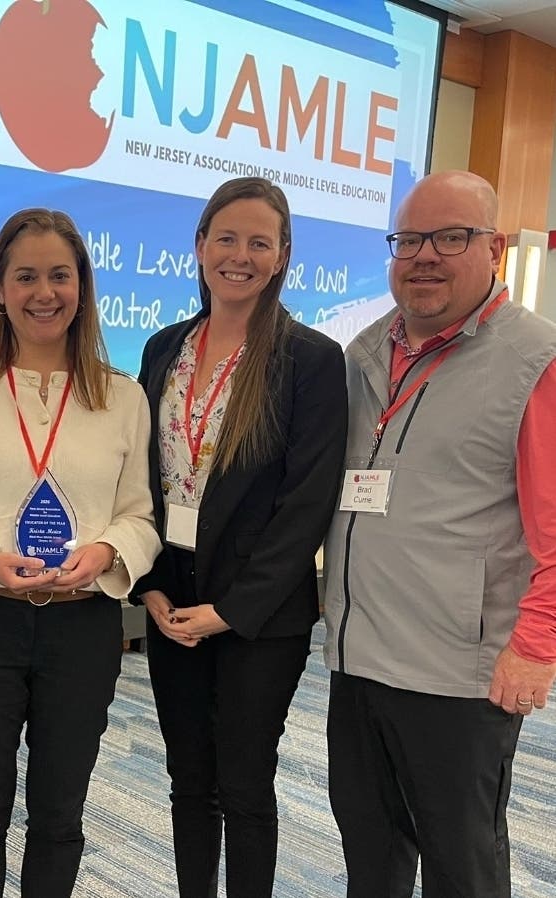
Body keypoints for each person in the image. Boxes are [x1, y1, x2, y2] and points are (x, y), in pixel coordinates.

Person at [0, 208, 159, 898]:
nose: (44, 293)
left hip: (83, 629)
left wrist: (106, 549)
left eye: (59, 276)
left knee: (59, 812)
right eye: (26, 276)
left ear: (82, 287)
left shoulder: (122, 397)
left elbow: (140, 515)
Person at [323, 170, 556, 897]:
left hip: (458, 679)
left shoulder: (532, 362)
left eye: (449, 237)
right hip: (356, 662)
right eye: (409, 239)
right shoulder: (364, 353)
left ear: (491, 248)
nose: (424, 255)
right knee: (370, 854)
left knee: (461, 866)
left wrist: (532, 650)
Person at [132, 177, 347, 897]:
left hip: (260, 614)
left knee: (244, 783)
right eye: (225, 238)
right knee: (187, 779)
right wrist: (152, 587)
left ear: (282, 256)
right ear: (198, 246)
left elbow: (305, 504)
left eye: (259, 242)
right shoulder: (165, 348)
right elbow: (142, 480)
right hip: (174, 598)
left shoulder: (308, 360)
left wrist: (233, 610)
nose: (240, 255)